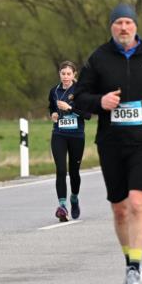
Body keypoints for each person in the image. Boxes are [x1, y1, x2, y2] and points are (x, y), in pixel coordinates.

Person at [72, 4, 142, 284]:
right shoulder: (99, 58)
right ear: (111, 27)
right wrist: (100, 102)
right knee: (120, 210)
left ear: (135, 26)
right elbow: (79, 95)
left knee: (136, 203)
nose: (123, 28)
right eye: (118, 23)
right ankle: (129, 261)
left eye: (128, 23)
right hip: (111, 142)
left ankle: (135, 267)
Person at [48, 61, 88, 222]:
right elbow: (51, 107)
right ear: (59, 74)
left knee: (74, 172)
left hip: (76, 135)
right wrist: (53, 114)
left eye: (68, 74)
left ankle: (74, 198)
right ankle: (62, 206)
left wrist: (69, 108)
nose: (65, 77)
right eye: (63, 73)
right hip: (59, 134)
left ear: (74, 75)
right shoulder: (54, 91)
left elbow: (87, 115)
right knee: (60, 169)